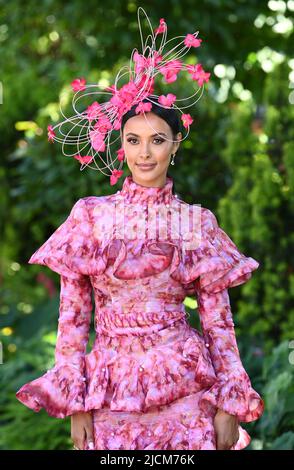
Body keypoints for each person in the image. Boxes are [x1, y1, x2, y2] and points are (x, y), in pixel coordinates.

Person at [15, 8, 264, 450]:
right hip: (111, 388)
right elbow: (72, 322)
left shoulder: (194, 221)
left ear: (175, 145)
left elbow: (219, 323)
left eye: (157, 140)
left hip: (186, 387)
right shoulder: (90, 215)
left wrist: (230, 404)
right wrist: (77, 405)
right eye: (133, 140)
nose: (144, 153)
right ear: (121, 146)